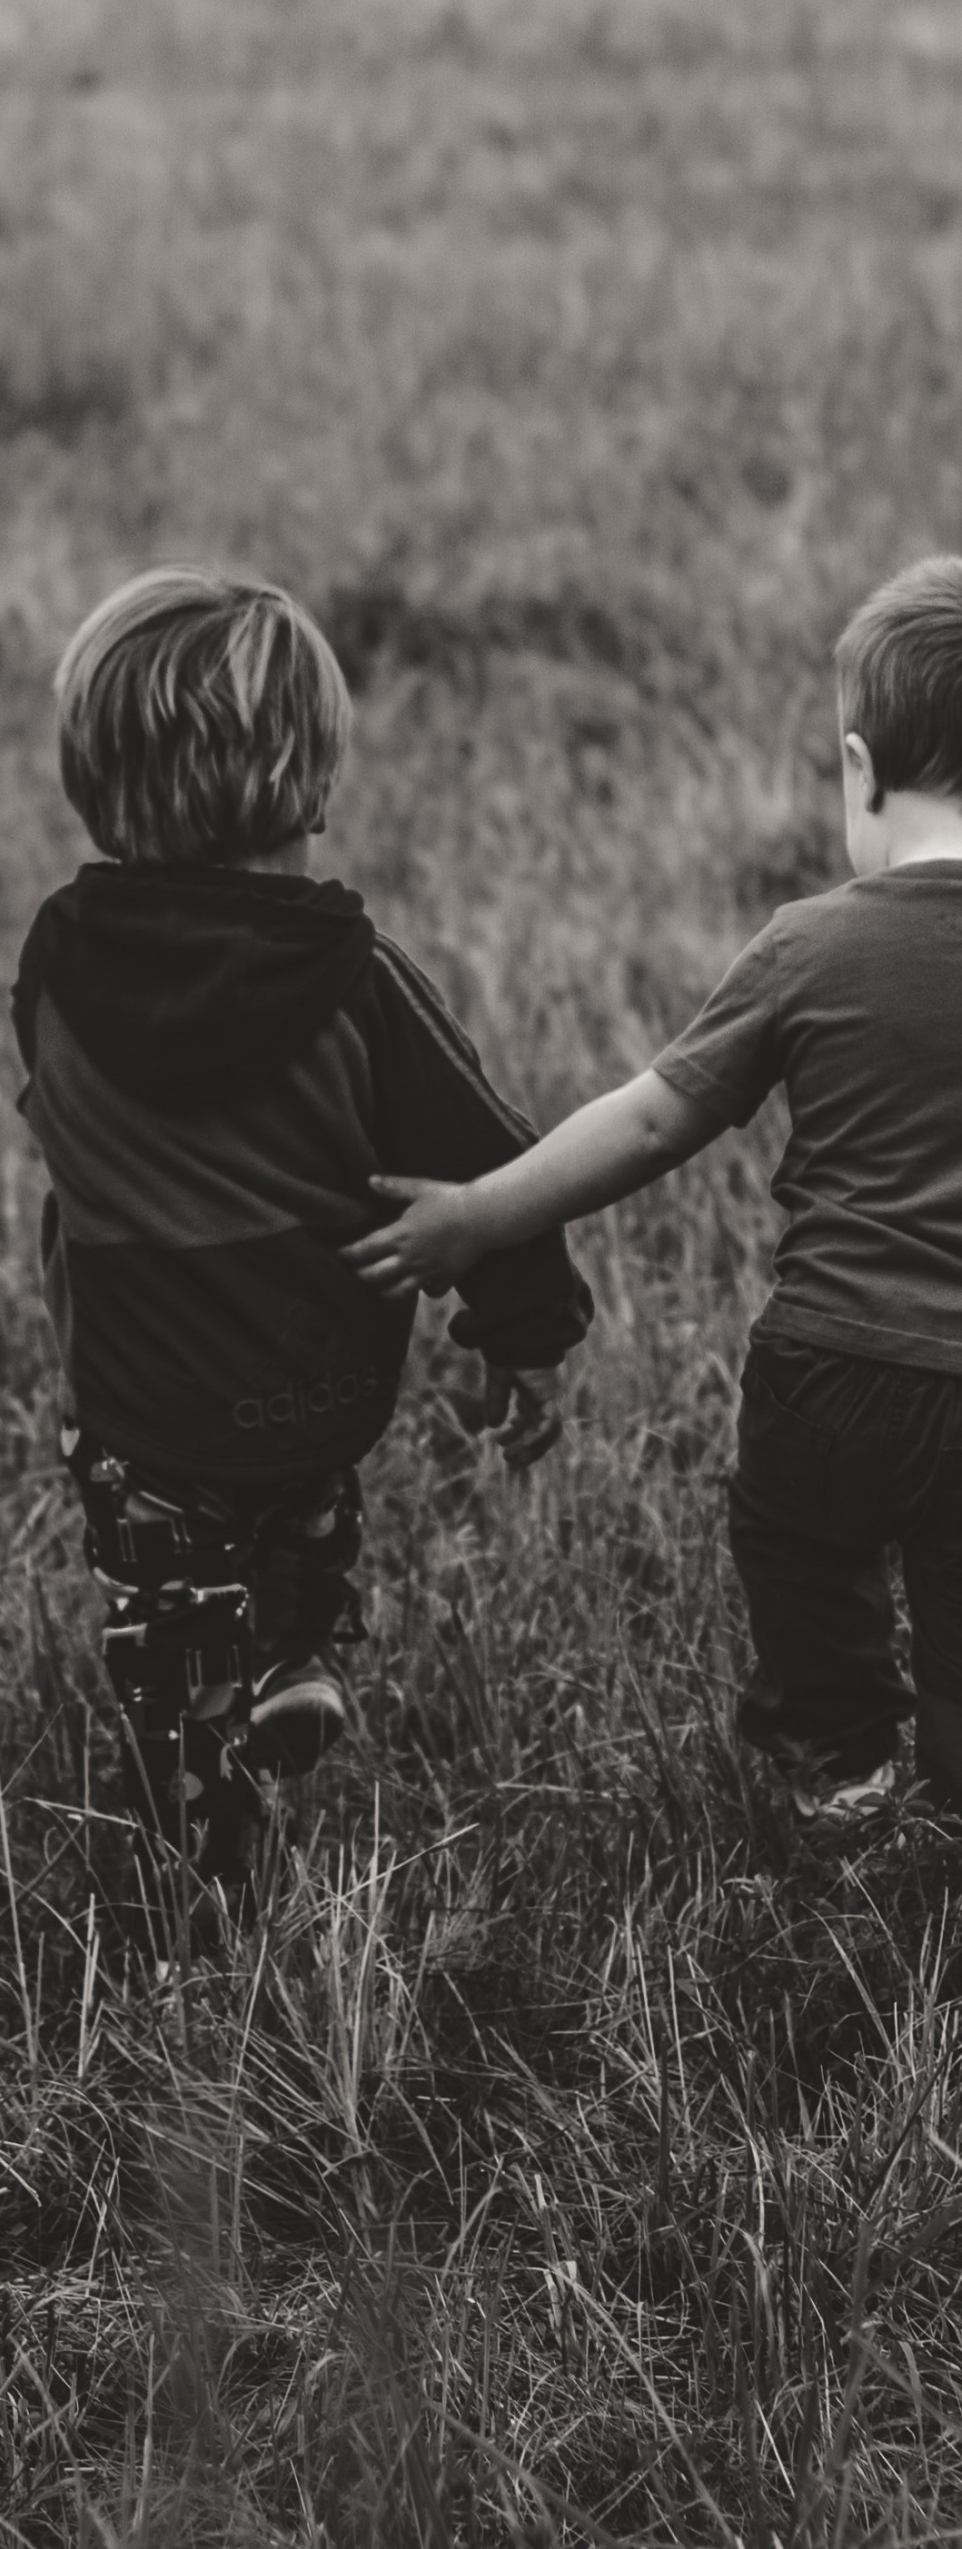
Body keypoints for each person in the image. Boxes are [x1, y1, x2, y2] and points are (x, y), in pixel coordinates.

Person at [12, 565, 593, 1932]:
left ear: (93, 780)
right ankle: (299, 1651)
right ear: (312, 779)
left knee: (171, 1630)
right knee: (300, 1519)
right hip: (319, 1387)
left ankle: (203, 1835)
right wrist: (529, 1336)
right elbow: (495, 1165)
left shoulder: (57, 964)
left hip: (145, 1410)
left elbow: (54, 1123)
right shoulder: (355, 980)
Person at [345, 555, 962, 1828]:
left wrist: (477, 1211)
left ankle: (838, 1759)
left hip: (826, 1368)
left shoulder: (809, 942)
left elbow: (647, 1120)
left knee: (799, 1557)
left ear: (862, 770)